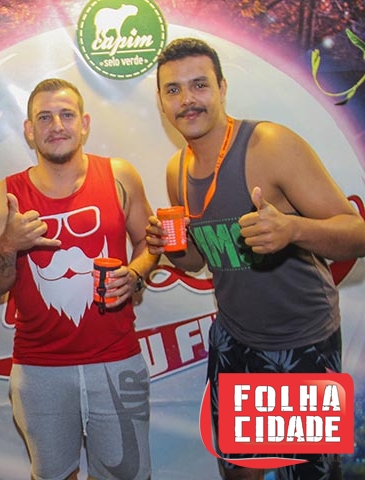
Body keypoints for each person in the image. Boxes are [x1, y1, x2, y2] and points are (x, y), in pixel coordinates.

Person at [146, 37, 365, 480]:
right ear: (162, 101)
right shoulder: (176, 169)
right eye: (173, 89)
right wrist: (169, 246)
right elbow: (198, 261)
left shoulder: (269, 145)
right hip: (235, 339)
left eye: (199, 85)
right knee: (238, 470)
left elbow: (357, 233)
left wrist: (294, 230)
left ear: (222, 88)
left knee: (305, 475)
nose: (187, 100)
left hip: (301, 342)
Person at [0, 78, 157, 480]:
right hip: (39, 367)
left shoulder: (119, 175)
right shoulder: (7, 194)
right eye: (44, 117)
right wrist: (9, 243)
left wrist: (136, 274)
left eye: (66, 115)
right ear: (29, 130)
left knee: (127, 475)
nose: (56, 125)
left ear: (84, 123)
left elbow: (149, 243)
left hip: (116, 358)